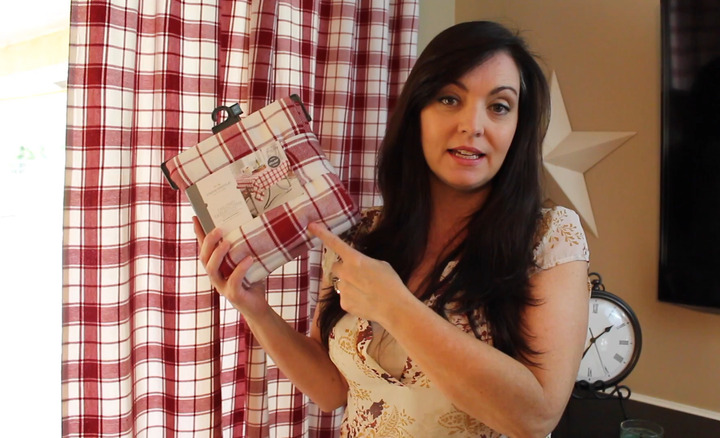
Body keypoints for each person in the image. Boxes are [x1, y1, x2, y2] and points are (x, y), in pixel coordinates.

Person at [195, 20, 590, 438]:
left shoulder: (549, 238)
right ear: (416, 112)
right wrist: (255, 310)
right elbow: (331, 391)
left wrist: (395, 306)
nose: (473, 125)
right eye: (449, 99)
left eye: (499, 106)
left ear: (518, 128)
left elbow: (535, 418)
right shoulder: (362, 234)